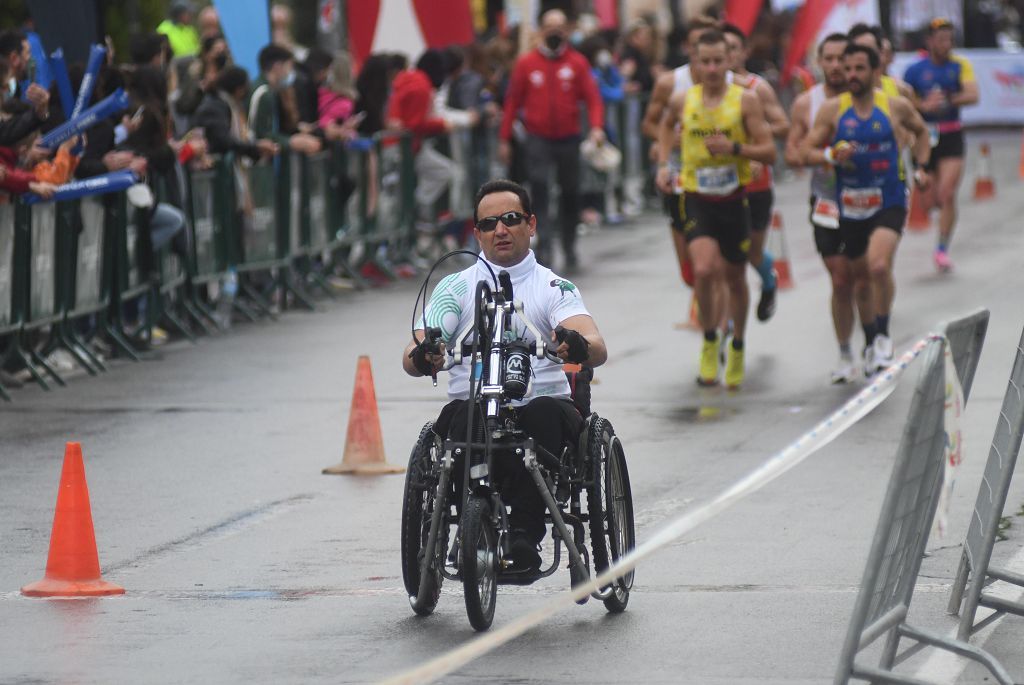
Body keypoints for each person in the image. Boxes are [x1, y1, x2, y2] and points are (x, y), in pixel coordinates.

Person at [402, 179, 607, 572]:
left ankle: (526, 538)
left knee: (542, 415)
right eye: (489, 223)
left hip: (543, 404)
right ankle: (470, 531)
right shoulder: (455, 288)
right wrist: (425, 353)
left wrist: (578, 345)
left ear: (530, 224)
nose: (500, 230)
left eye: (511, 219)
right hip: (473, 405)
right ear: (476, 233)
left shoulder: (552, 287)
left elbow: (595, 343)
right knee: (460, 419)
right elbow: (413, 352)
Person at [656, 29, 775, 389]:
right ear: (694, 61)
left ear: (729, 61)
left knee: (736, 278)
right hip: (696, 198)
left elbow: (768, 150)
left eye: (717, 61)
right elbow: (663, 128)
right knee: (704, 269)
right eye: (704, 61)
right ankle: (710, 339)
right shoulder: (682, 100)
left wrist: (736, 149)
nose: (710, 68)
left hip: (733, 199)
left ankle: (737, 343)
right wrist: (664, 164)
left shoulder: (745, 101)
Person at [803, 44, 932, 376]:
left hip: (888, 198)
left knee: (877, 266)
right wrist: (831, 156)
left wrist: (921, 166)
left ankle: (884, 336)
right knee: (860, 282)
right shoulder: (832, 111)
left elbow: (921, 132)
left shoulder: (895, 106)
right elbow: (806, 150)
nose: (852, 76)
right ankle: (870, 339)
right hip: (850, 206)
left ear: (875, 71)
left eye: (859, 68)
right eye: (848, 69)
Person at [786, 34, 872, 383]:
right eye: (830, 59)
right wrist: (825, 156)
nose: (836, 66)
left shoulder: (869, 99)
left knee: (866, 274)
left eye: (842, 59)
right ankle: (845, 353)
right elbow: (792, 153)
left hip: (867, 199)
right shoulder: (807, 103)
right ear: (820, 62)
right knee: (841, 279)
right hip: (826, 201)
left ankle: (874, 342)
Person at [498, 9, 605, 271]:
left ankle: (569, 245)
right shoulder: (526, 63)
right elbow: (512, 101)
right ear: (541, 30)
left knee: (570, 191)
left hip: (568, 138)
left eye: (560, 27)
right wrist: (504, 139)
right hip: (538, 139)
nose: (555, 33)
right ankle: (544, 244)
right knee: (540, 188)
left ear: (566, 30)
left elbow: (592, 99)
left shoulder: (577, 63)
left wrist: (596, 127)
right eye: (550, 27)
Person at [641, 16, 719, 293]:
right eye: (698, 45)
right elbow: (649, 123)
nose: (705, 53)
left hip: (722, 179)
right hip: (680, 178)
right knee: (690, 272)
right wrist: (668, 142)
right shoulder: (670, 83)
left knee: (715, 265)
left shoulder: (736, 86)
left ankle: (719, 324)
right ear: (688, 47)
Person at [722, 22, 790, 323]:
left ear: (743, 52)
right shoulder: (702, 93)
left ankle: (769, 278)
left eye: (732, 49)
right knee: (723, 259)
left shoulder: (756, 87)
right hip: (719, 186)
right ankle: (726, 329)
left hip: (755, 182)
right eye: (721, 50)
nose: (727, 56)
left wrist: (754, 135)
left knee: (750, 252)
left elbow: (782, 126)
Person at [902, 17, 979, 272]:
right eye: (941, 39)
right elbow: (905, 105)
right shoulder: (914, 71)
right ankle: (932, 204)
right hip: (924, 138)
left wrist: (948, 99)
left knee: (947, 194)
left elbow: (973, 95)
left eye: (950, 39)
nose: (947, 44)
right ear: (929, 41)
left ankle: (942, 249)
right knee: (929, 200)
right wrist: (924, 106)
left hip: (951, 135)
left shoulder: (960, 66)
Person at [248, 44, 321, 155]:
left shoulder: (272, 91)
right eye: (289, 67)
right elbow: (261, 133)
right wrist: (291, 141)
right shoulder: (263, 94)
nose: (291, 72)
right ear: (278, 67)